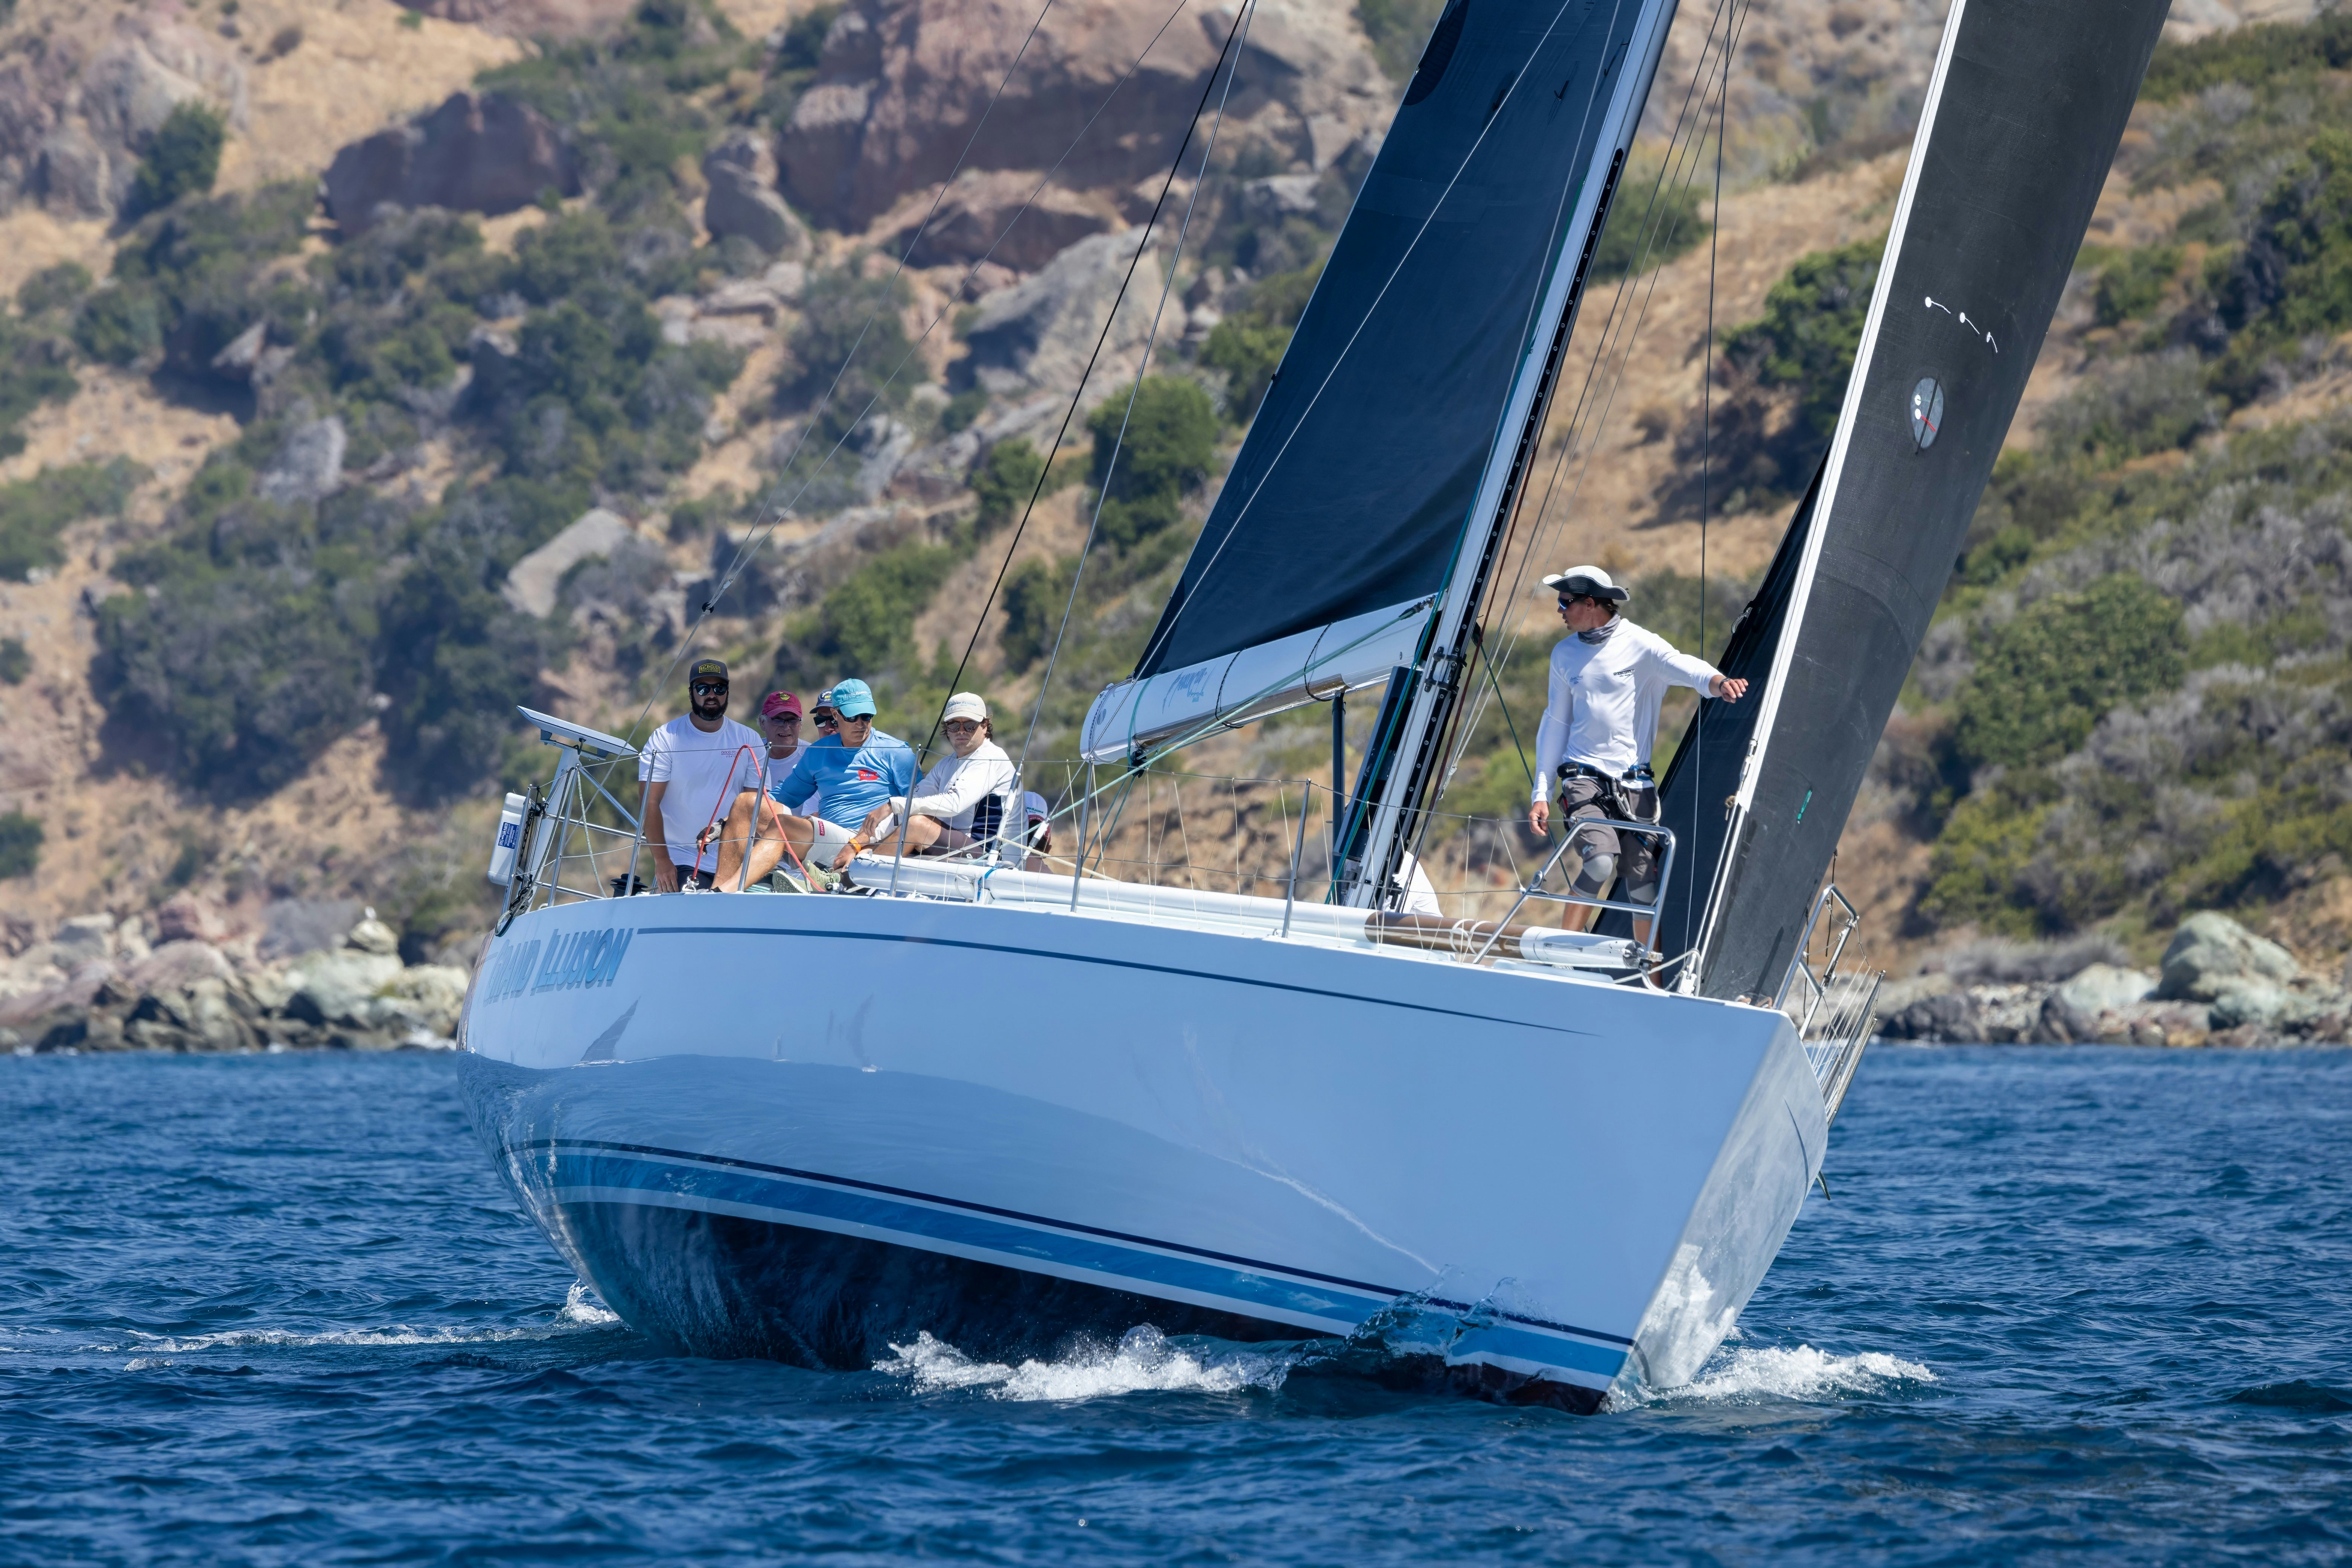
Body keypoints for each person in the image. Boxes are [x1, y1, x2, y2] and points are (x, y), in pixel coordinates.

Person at [1526, 565, 1748, 944]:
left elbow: (1685, 667)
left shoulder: (1641, 644)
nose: (1559, 611)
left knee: (1644, 890)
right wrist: (1541, 793)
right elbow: (1555, 723)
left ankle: (1651, 983)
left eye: (1565, 602)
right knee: (1598, 861)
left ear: (1592, 603)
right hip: (1583, 778)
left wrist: (1719, 682)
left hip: (1635, 785)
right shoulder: (1563, 655)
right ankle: (1558, 957)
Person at [706, 677, 916, 888]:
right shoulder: (819, 752)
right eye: (854, 717)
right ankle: (717, 890)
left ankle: (728, 891)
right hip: (829, 838)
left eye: (867, 716)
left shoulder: (897, 752)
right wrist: (727, 820)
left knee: (785, 825)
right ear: (836, 715)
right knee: (746, 802)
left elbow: (917, 804)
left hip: (870, 841)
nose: (862, 724)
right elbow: (782, 797)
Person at [833, 692, 1017, 867]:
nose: (962, 731)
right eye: (954, 725)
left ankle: (853, 876)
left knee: (917, 825)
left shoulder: (992, 758)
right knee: (912, 818)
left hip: (990, 855)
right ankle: (854, 866)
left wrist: (892, 805)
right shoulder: (947, 764)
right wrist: (857, 844)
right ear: (947, 729)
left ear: (985, 726)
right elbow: (909, 805)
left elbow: (955, 803)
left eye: (970, 725)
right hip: (956, 845)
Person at [638, 658, 763, 891]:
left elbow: (754, 806)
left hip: (735, 858)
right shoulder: (665, 737)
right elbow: (649, 803)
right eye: (703, 689)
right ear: (691, 693)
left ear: (727, 692)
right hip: (682, 858)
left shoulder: (749, 739)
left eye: (719, 689)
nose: (712, 695)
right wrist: (662, 861)